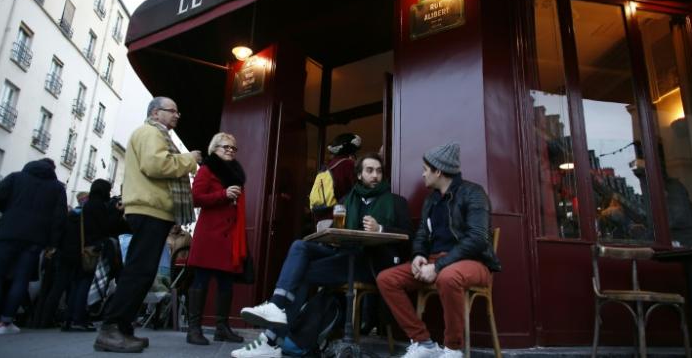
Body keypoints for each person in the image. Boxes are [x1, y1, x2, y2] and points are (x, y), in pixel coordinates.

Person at [232, 152, 413, 358]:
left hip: (370, 264)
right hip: (344, 255)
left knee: (302, 273)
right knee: (300, 246)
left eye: (378, 171)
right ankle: (276, 308)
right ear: (360, 175)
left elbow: (409, 235)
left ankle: (270, 339)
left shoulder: (395, 202)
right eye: (369, 171)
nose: (375, 175)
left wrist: (381, 228)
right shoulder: (346, 200)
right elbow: (338, 233)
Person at [93, 97, 202, 353]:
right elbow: (155, 164)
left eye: (178, 111)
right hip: (149, 210)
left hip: (152, 210)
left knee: (141, 270)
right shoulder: (150, 133)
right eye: (171, 111)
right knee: (139, 271)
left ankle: (122, 329)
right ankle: (112, 328)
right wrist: (189, 159)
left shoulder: (153, 134)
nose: (177, 115)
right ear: (155, 113)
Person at [376, 142, 502, 358]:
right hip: (435, 262)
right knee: (386, 279)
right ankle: (423, 343)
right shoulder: (431, 200)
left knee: (447, 277)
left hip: (473, 262)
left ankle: (453, 349)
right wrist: (418, 256)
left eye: (426, 169)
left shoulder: (473, 193)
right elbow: (423, 236)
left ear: (439, 170)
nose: (423, 174)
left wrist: (439, 266)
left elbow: (478, 239)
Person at [0, 158, 67, 335]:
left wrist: (11, 210)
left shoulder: (15, 178)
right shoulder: (57, 188)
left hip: (8, 232)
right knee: (21, 279)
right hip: (35, 238)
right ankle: (6, 322)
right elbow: (60, 217)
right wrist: (53, 243)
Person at [40, 179, 127, 331]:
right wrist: (117, 213)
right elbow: (106, 227)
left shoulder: (86, 206)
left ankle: (69, 318)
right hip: (90, 251)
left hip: (76, 251)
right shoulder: (98, 206)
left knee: (75, 285)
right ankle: (78, 318)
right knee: (84, 284)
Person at [185, 132, 247, 345]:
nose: (230, 150)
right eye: (225, 146)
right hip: (210, 235)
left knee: (226, 283)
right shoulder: (206, 169)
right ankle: (194, 329)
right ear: (214, 149)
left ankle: (222, 328)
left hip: (229, 236)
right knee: (201, 280)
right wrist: (223, 194)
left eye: (233, 147)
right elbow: (194, 198)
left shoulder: (237, 173)